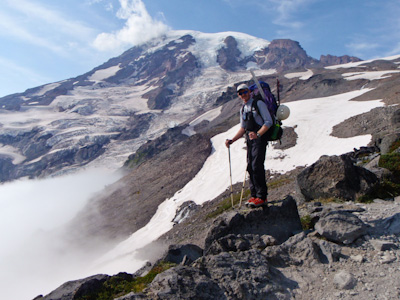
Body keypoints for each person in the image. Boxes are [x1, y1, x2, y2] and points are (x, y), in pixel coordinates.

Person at [225, 83, 273, 208]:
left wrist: (258, 134)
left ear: (249, 92)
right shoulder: (243, 108)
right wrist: (232, 140)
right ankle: (254, 195)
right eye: (240, 93)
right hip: (250, 141)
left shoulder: (258, 104)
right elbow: (243, 128)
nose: (243, 95)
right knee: (250, 167)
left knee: (257, 166)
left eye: (245, 92)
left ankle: (262, 196)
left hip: (260, 139)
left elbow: (268, 121)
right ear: (238, 95)